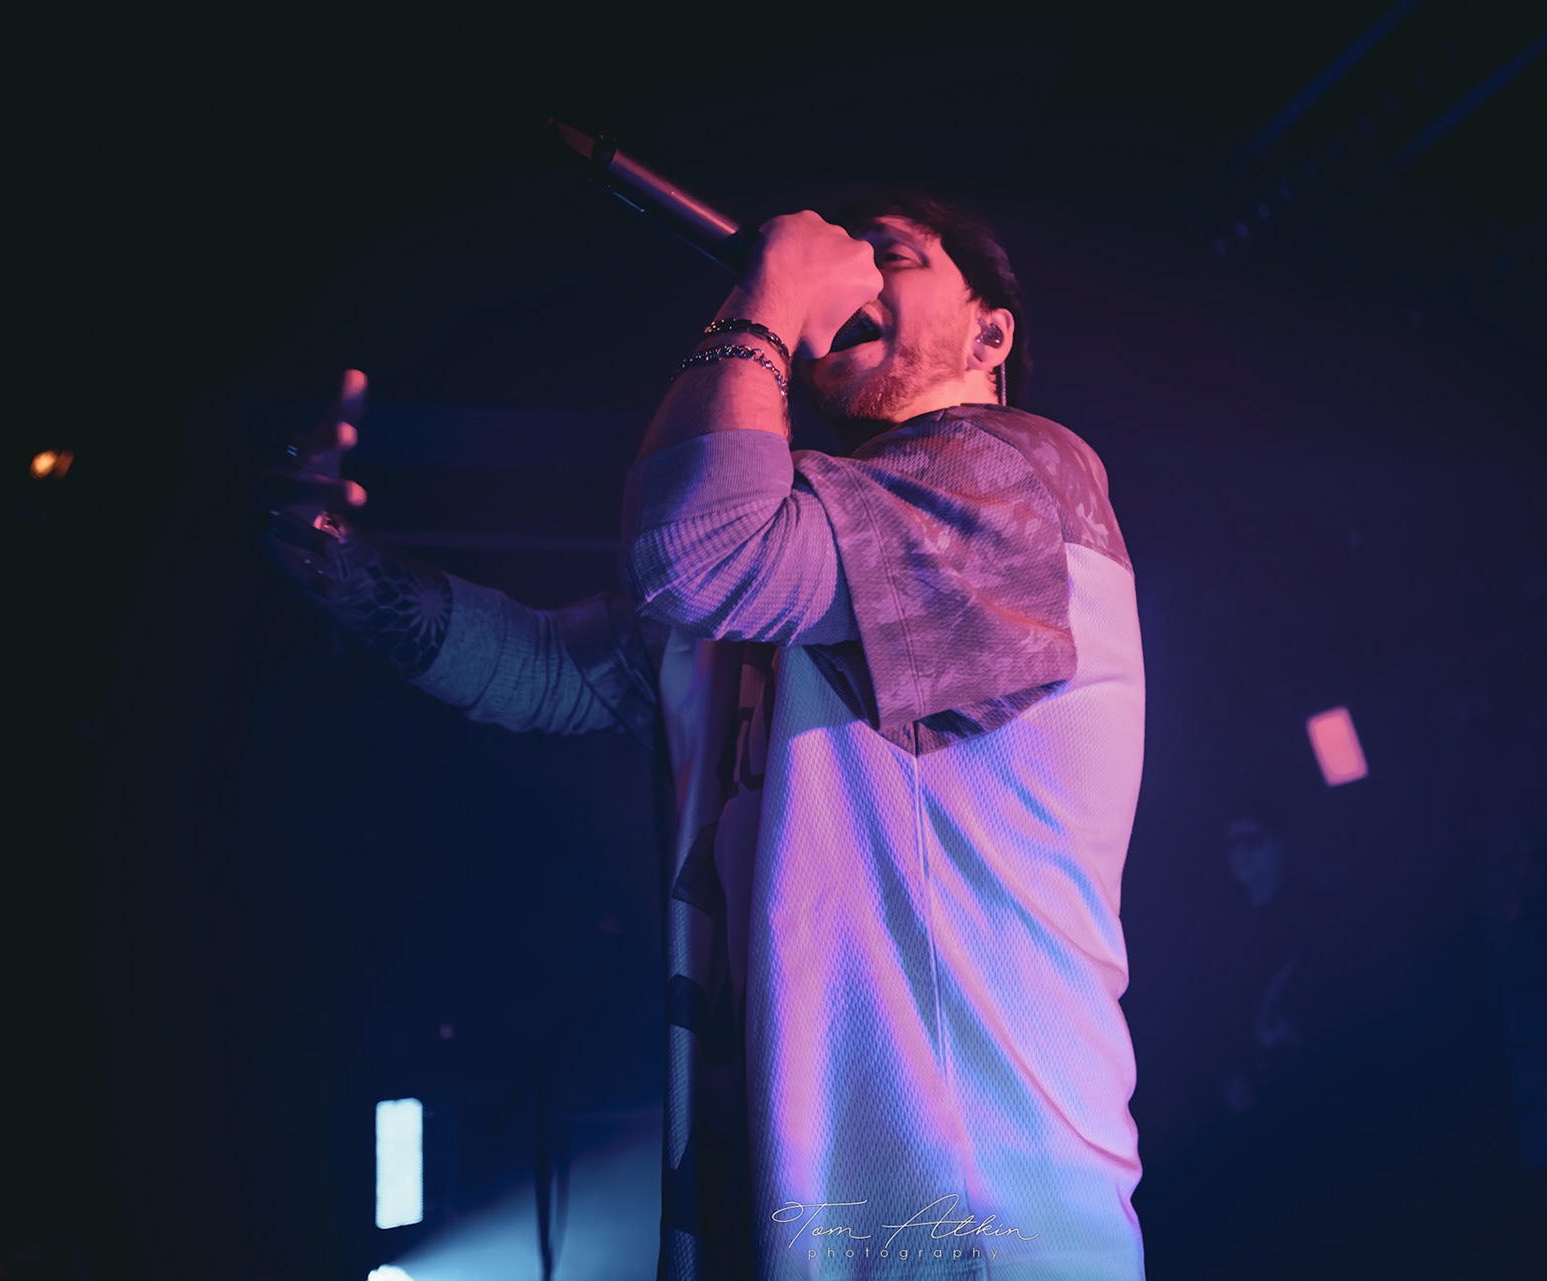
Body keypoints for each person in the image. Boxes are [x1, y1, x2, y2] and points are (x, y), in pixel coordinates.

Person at [261, 191, 1148, 1280]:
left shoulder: (1016, 475)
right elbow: (543, 670)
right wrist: (329, 561)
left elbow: (699, 551)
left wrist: (770, 290)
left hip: (980, 1225)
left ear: (990, 333)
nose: (856, 274)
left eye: (895, 257)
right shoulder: (805, 551)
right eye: (844, 257)